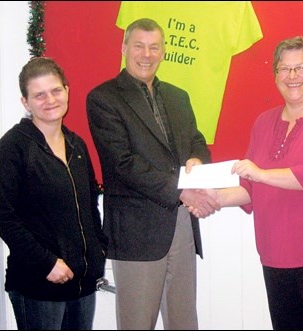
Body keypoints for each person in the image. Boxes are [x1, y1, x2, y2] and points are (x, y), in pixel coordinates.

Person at [192, 36, 303, 330]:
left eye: (301, 68)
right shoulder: (264, 121)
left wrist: (259, 173)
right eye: (284, 69)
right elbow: (249, 188)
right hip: (278, 256)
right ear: (275, 76)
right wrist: (212, 198)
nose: (292, 76)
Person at [86, 18, 219, 330]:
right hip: (136, 232)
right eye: (139, 46)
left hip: (182, 225)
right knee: (137, 323)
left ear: (163, 53)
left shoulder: (178, 96)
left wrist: (198, 160)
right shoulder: (103, 99)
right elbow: (123, 163)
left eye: (154, 47)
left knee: (184, 321)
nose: (146, 54)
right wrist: (180, 190)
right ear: (124, 48)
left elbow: (196, 140)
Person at [0, 57, 108, 330]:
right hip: (39, 284)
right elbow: (3, 217)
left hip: (81, 283)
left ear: (67, 91)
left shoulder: (76, 145)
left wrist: (97, 252)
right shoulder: (13, 148)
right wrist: (47, 263)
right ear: (26, 102)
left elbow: (90, 203)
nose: (50, 100)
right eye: (39, 95)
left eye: (56, 91)